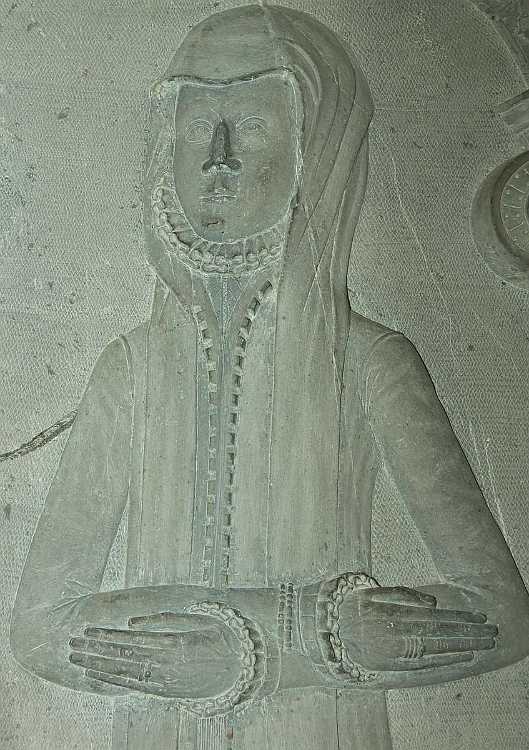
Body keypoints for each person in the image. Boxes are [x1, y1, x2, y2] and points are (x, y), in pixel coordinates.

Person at [11, 5, 529, 749]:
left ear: (313, 149)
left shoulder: (370, 361)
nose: (217, 158)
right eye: (199, 129)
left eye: (251, 128)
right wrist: (275, 630)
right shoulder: (131, 371)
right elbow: (38, 626)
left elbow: (502, 613)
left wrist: (281, 642)